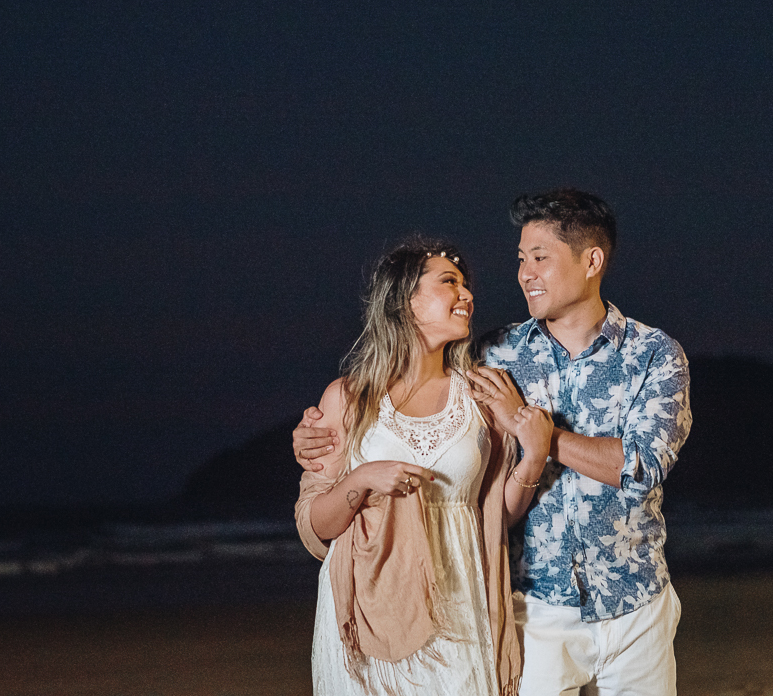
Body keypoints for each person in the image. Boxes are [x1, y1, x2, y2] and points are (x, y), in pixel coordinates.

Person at [295, 190, 691, 696]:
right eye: (521, 259)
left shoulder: (654, 354)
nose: (525, 274)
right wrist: (314, 437)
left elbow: (642, 466)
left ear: (592, 261)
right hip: (535, 607)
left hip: (635, 599)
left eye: (540, 258)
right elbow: (398, 403)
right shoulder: (495, 357)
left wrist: (544, 441)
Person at [293, 237, 541, 696]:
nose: (466, 295)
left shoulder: (482, 395)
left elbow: (498, 514)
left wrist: (535, 452)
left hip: (461, 599)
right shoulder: (348, 398)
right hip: (369, 608)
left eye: (466, 284)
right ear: (404, 301)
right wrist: (362, 479)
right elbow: (316, 525)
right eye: (449, 282)